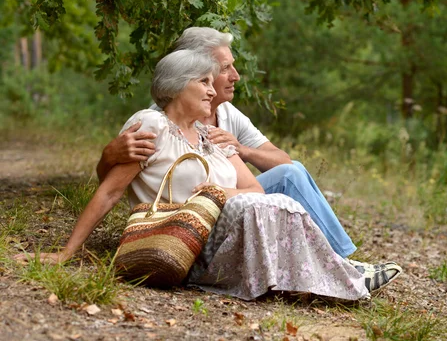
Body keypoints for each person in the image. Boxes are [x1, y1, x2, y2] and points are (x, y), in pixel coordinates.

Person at [14, 49, 401, 299]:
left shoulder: (209, 135)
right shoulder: (151, 126)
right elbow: (110, 192)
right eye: (203, 82)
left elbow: (253, 188)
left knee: (275, 198)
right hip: (182, 243)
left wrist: (216, 193)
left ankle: (335, 277)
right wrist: (67, 252)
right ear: (176, 86)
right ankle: (344, 279)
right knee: (256, 206)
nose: (212, 92)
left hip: (226, 234)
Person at [96, 27, 372, 266]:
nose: (236, 76)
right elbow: (115, 184)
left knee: (291, 173)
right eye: (225, 68)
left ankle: (339, 260)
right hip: (185, 221)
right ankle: (334, 264)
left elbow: (282, 160)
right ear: (193, 69)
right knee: (281, 181)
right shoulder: (159, 119)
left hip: (227, 203)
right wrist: (108, 156)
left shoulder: (228, 113)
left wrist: (241, 149)